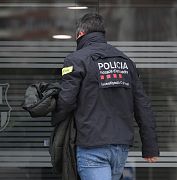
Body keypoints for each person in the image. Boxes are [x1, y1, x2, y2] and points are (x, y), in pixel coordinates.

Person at [53, 13, 159, 180]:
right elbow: (142, 105)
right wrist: (150, 146)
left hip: (92, 145)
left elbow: (66, 101)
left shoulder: (76, 60)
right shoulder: (126, 61)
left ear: (80, 34)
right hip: (120, 148)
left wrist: (54, 120)